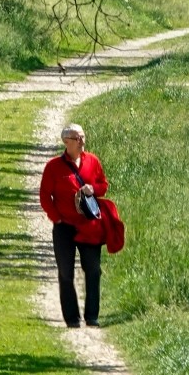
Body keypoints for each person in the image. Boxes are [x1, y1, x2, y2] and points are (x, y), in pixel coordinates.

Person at [39, 122, 107, 327]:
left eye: (83, 137)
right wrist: (56, 217)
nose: (82, 141)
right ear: (66, 142)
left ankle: (92, 316)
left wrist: (92, 189)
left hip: (89, 226)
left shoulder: (92, 161)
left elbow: (103, 185)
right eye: (78, 138)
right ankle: (72, 319)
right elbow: (44, 196)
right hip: (64, 227)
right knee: (65, 272)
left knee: (93, 270)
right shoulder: (53, 166)